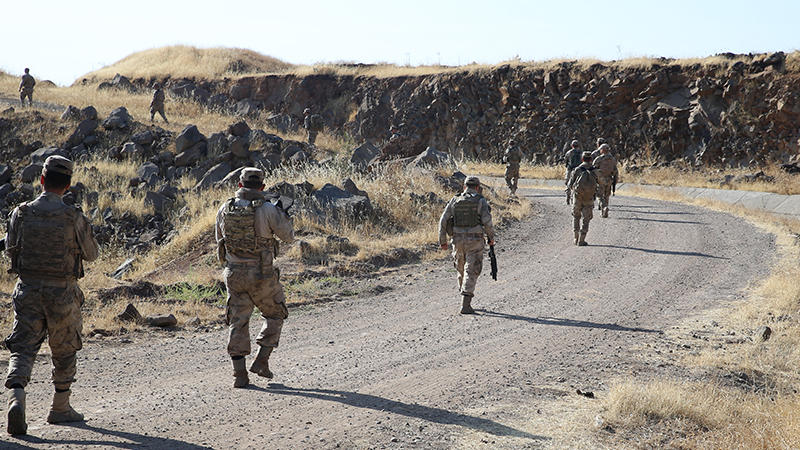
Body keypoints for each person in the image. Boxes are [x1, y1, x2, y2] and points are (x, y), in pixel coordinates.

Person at [4, 155, 99, 435]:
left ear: (41, 180)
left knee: (22, 347)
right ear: (68, 186)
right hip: (63, 293)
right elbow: (92, 255)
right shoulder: (74, 217)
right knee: (65, 347)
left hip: (28, 289)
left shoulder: (19, 213)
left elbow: (11, 248)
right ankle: (60, 408)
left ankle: (17, 397)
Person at [215, 168, 295, 388]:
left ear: (240, 186)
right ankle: (261, 361)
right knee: (275, 313)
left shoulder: (225, 208)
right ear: (262, 187)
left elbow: (219, 239)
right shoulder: (269, 209)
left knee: (238, 320)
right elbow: (289, 237)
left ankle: (239, 375)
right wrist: (284, 215)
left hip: (233, 273)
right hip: (261, 273)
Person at [438, 176, 495, 314]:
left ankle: (463, 295)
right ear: (477, 187)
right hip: (475, 240)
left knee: (461, 268)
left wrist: (442, 241)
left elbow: (443, 221)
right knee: (472, 270)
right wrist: (491, 238)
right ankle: (466, 303)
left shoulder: (455, 200)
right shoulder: (480, 201)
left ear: (464, 187)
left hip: (457, 240)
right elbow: (487, 222)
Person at [567, 152, 599, 246]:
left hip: (578, 197)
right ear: (591, 159)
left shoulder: (577, 169)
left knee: (576, 216)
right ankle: (582, 238)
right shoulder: (594, 170)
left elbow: (570, 184)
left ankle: (576, 237)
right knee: (586, 218)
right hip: (589, 198)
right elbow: (602, 181)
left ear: (582, 159)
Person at [592, 144, 619, 218]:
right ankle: (604, 212)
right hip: (610, 179)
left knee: (599, 195)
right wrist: (615, 181)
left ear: (602, 150)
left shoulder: (599, 159)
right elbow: (616, 171)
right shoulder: (613, 159)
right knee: (606, 196)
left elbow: (593, 169)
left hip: (601, 179)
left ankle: (604, 207)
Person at [563, 140, 582, 204]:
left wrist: (567, 166)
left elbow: (565, 161)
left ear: (572, 145)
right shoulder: (581, 153)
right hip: (578, 171)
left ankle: (568, 198)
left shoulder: (569, 152)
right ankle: (574, 199)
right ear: (578, 145)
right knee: (577, 184)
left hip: (570, 170)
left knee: (568, 184)